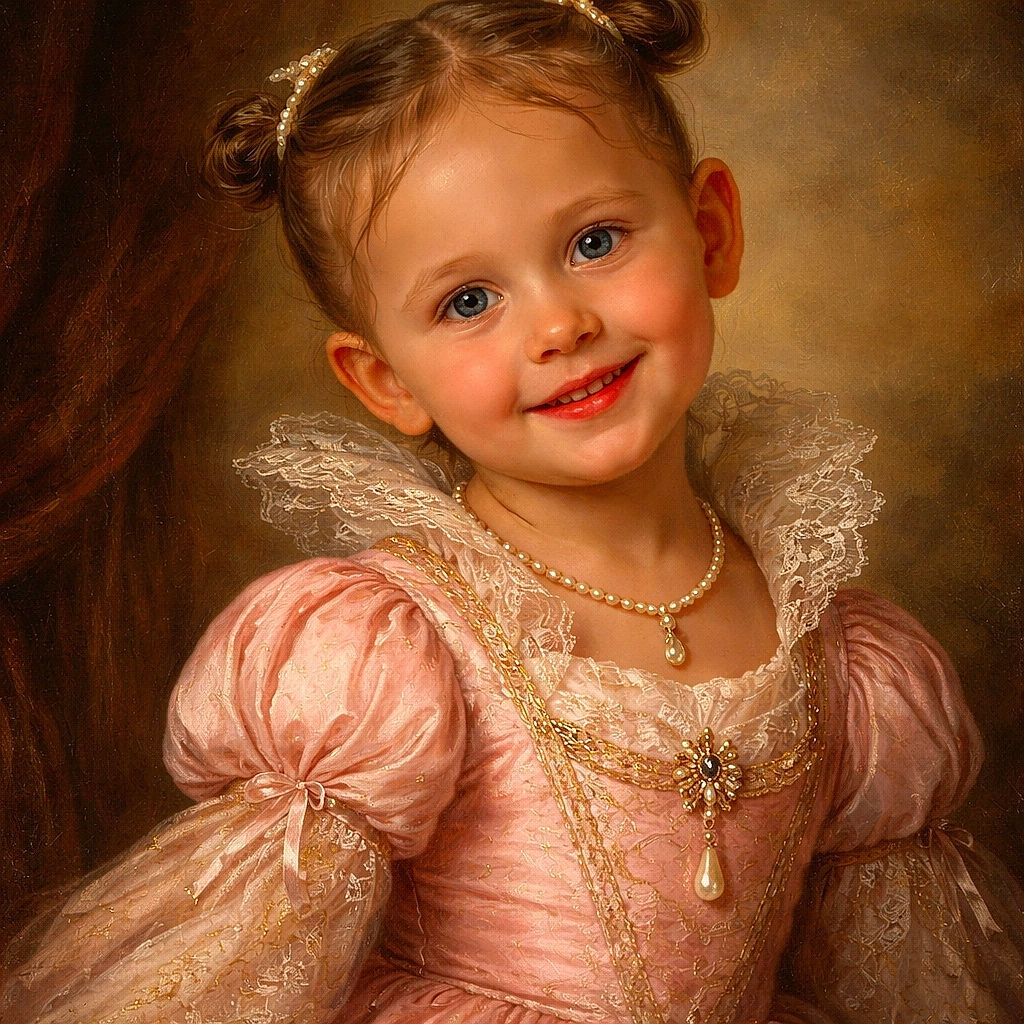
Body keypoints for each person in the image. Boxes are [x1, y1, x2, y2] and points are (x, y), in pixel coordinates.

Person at [2, 1, 1021, 1021]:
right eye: (468, 302)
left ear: (710, 230)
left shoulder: (843, 654)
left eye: (594, 240)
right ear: (385, 382)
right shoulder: (385, 653)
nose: (559, 325)